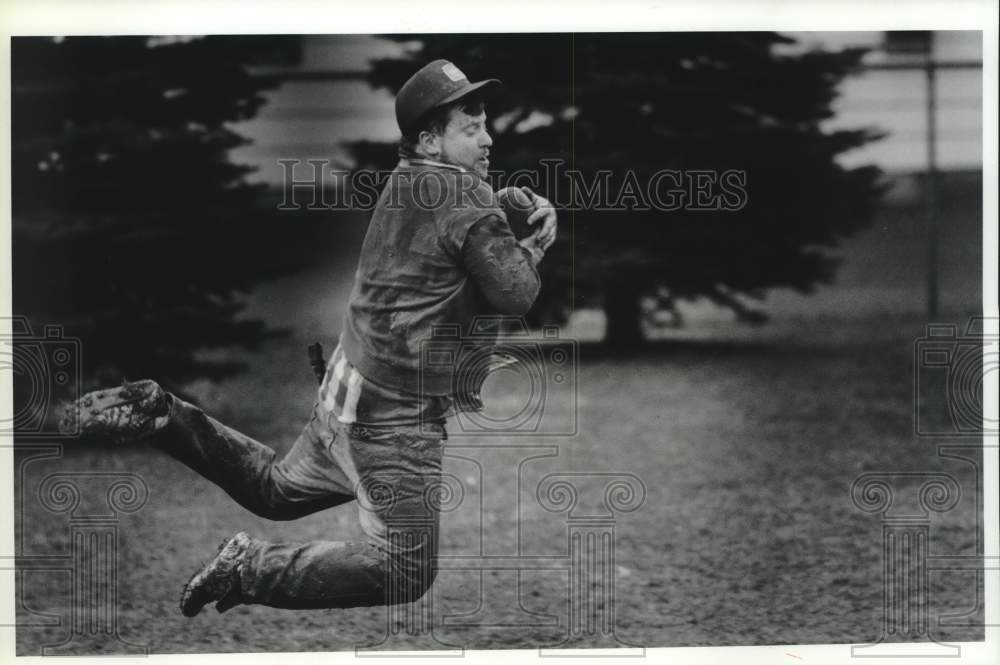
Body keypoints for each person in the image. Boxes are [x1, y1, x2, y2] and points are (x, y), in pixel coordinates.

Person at [60, 59, 557, 617]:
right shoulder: (465, 201)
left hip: (347, 391)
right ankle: (250, 568)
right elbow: (515, 293)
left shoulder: (408, 181)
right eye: (472, 128)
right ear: (430, 141)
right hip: (393, 419)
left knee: (273, 490)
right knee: (406, 569)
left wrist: (501, 200)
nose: (488, 139)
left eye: (486, 125)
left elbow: (459, 220)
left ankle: (164, 416)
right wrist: (534, 243)